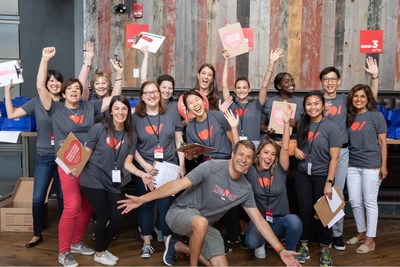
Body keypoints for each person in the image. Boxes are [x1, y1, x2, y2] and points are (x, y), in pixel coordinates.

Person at [117, 140, 300, 267]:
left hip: (204, 225)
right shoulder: (211, 167)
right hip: (179, 213)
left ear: (252, 161)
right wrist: (141, 199)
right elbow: (176, 186)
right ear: (233, 154)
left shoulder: (245, 189)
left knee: (220, 263)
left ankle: (178, 246)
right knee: (201, 222)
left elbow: (260, 222)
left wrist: (281, 250)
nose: (243, 160)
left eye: (248, 157)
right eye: (240, 154)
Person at [36, 46, 123, 267]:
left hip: (91, 162)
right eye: (70, 89)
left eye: (77, 88)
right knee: (73, 205)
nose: (74, 91)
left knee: (87, 206)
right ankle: (63, 251)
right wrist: (44, 60)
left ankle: (76, 242)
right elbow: (39, 86)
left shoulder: (89, 107)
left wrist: (120, 75)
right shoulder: (55, 109)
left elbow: (114, 99)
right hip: (68, 163)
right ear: (63, 93)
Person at [3, 42, 94, 249]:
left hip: (66, 156)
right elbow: (11, 115)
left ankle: (68, 236)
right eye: (50, 81)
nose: (53, 83)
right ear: (45, 83)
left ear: (62, 86)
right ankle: (37, 233)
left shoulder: (67, 103)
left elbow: (80, 87)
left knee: (65, 200)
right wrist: (7, 91)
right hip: (44, 156)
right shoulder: (38, 101)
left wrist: (87, 63)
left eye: (57, 81)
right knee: (37, 198)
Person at [80, 95, 155, 266]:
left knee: (118, 217)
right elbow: (85, 154)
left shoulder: (131, 135)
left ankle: (102, 249)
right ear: (111, 111)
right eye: (117, 108)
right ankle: (99, 252)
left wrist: (141, 174)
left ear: (128, 112)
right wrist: (71, 165)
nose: (120, 112)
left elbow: (127, 164)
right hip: (92, 178)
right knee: (104, 215)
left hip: (112, 180)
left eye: (124, 109)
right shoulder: (98, 129)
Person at [319, 56, 379, 251]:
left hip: (343, 153)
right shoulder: (315, 100)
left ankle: (336, 234)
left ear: (339, 81)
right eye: (326, 79)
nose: (329, 82)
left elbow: (369, 103)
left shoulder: (346, 100)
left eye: (332, 79)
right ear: (321, 82)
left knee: (336, 194)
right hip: (320, 153)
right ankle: (322, 232)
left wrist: (374, 78)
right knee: (320, 193)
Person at [132, 80, 185, 258]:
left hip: (169, 167)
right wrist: (146, 166)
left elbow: (179, 140)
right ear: (142, 97)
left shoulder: (171, 113)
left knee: (165, 207)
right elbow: (132, 147)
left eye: (154, 91)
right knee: (146, 205)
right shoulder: (135, 118)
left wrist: (182, 164)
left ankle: (169, 243)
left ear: (160, 93)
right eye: (147, 93)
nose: (152, 95)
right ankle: (147, 243)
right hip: (146, 170)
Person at [243, 105, 302, 259]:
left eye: (273, 154)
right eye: (266, 152)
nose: (269, 156)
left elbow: (284, 149)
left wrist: (286, 124)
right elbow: (239, 151)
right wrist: (234, 128)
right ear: (258, 153)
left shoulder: (280, 170)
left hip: (280, 221)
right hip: (260, 221)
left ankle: (289, 251)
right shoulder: (251, 171)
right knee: (250, 242)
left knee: (295, 221)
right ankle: (262, 241)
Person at [294, 91, 341, 267]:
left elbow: (335, 158)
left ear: (322, 105)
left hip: (323, 176)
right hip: (303, 174)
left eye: (316, 103)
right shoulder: (302, 125)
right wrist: (296, 151)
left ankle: (325, 250)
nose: (312, 107)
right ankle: (304, 246)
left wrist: (329, 182)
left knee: (325, 214)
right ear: (304, 107)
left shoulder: (331, 127)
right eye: (309, 104)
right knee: (304, 210)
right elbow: (298, 146)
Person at [345, 84, 387, 254]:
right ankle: (361, 233)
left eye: (363, 96)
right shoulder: (349, 116)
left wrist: (383, 165)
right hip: (352, 165)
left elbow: (383, 143)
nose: (359, 99)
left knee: (369, 202)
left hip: (371, 165)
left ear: (368, 98)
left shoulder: (376, 116)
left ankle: (370, 239)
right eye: (356, 96)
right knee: (355, 201)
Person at [222, 48, 284, 146]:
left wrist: (271, 63)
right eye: (238, 88)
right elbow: (224, 85)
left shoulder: (256, 105)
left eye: (244, 87)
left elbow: (264, 85)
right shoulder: (231, 105)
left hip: (254, 146)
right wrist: (226, 61)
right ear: (234, 90)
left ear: (249, 89)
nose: (241, 90)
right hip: (236, 146)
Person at [183, 89, 239, 163]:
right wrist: (190, 156)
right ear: (188, 110)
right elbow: (195, 155)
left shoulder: (219, 116)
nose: (195, 104)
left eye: (197, 99)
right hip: (206, 163)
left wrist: (234, 159)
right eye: (190, 103)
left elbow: (234, 141)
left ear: (203, 102)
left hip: (225, 160)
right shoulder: (190, 129)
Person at [262, 72, 304, 138]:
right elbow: (262, 125)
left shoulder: (300, 102)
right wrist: (266, 129)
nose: (291, 83)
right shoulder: (270, 102)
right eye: (287, 81)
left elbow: (307, 126)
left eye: (292, 80)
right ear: (279, 86)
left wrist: (296, 125)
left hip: (293, 141)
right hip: (273, 142)